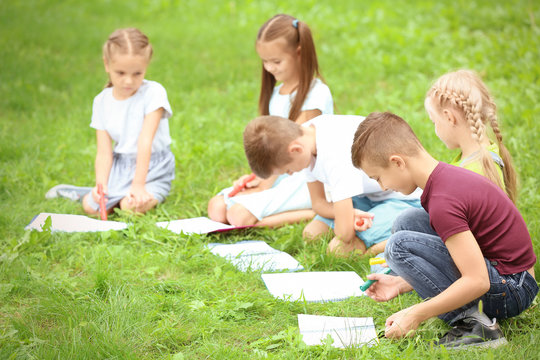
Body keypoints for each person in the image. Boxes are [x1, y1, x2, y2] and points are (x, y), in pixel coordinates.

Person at [350, 112, 537, 348]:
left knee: (397, 245)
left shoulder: (443, 201)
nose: (383, 186)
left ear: (397, 162)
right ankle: (474, 320)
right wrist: (401, 283)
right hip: (515, 278)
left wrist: (415, 314)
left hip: (512, 289)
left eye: (379, 177)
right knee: (406, 222)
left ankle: (476, 327)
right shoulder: (444, 179)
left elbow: (478, 281)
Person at [207, 14, 333, 228]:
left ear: (299, 53)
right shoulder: (276, 93)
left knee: (238, 216)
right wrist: (259, 177)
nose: (269, 68)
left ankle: (314, 210)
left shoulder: (316, 94)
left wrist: (264, 185)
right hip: (281, 172)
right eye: (264, 61)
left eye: (276, 61)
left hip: (306, 178)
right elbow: (273, 150)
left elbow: (290, 152)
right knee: (216, 207)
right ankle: (268, 207)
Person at [242, 115, 421, 256]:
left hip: (403, 198)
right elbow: (318, 203)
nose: (292, 174)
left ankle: (396, 240)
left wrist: (346, 220)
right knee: (312, 234)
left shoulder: (334, 152)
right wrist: (348, 214)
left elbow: (345, 235)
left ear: (295, 150)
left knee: (338, 251)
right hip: (368, 197)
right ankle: (380, 236)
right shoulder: (305, 137)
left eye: (288, 170)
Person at [46, 28, 175, 214]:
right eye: (120, 73)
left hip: (153, 169)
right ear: (107, 64)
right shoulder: (101, 101)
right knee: (91, 207)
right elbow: (104, 152)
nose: (128, 81)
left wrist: (138, 186)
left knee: (129, 208)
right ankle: (89, 193)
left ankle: (131, 194)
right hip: (121, 168)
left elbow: (145, 142)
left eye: (137, 73)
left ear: (146, 66)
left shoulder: (154, 93)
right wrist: (101, 185)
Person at [425, 69, 517, 202]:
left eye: (434, 122)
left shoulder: (470, 174)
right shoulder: (488, 153)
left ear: (449, 117)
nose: (435, 128)